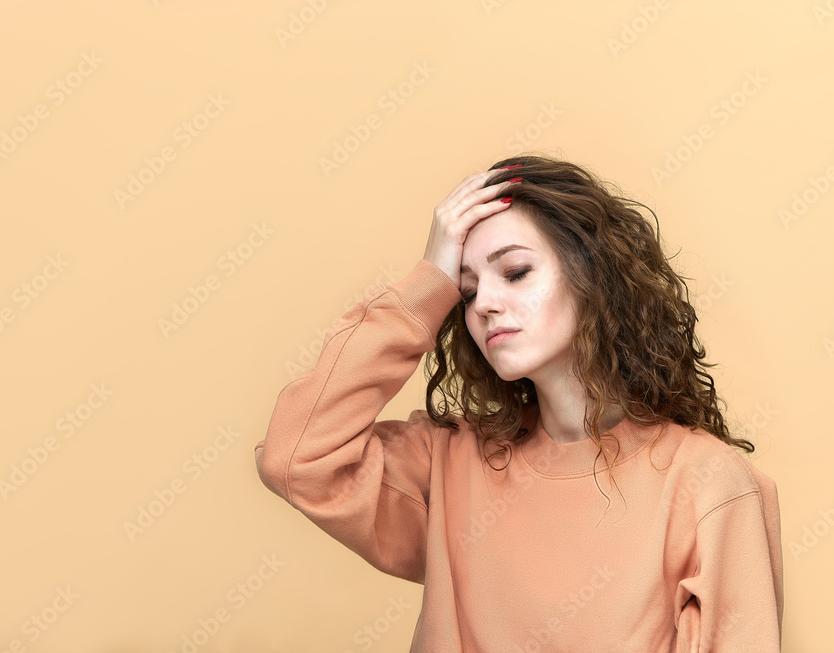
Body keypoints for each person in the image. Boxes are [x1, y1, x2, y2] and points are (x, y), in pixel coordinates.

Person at [254, 153, 783, 652]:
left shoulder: (707, 483)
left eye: (515, 273)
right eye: (465, 291)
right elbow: (298, 457)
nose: (483, 303)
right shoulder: (448, 463)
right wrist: (427, 285)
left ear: (593, 276)